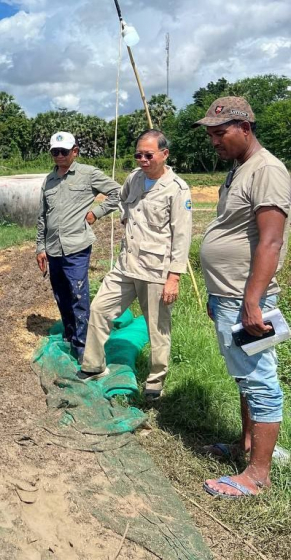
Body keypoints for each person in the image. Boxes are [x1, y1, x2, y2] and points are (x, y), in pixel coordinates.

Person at [194, 97, 291, 499]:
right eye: (211, 135)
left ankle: (258, 475)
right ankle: (245, 445)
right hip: (229, 295)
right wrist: (216, 293)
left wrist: (252, 301)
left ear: (245, 128)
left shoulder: (267, 170)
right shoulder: (239, 170)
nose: (214, 141)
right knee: (245, 379)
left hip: (244, 298)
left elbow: (271, 241)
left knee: (260, 381)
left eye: (221, 133)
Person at [80, 130, 192, 399]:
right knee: (99, 309)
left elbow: (182, 236)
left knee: (157, 328)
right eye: (138, 155)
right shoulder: (134, 178)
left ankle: (155, 381)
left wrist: (174, 277)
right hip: (125, 264)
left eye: (148, 155)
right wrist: (118, 216)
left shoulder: (177, 189)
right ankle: (93, 366)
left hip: (155, 269)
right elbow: (122, 200)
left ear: (165, 154)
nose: (143, 160)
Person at [36, 131, 120, 361]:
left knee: (78, 295)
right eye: (55, 152)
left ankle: (83, 347)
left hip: (77, 247)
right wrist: (40, 247)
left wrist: (96, 212)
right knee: (61, 294)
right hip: (53, 248)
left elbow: (118, 192)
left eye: (63, 152)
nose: (59, 156)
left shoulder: (88, 174)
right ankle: (70, 334)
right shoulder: (49, 180)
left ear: (75, 151)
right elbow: (42, 216)